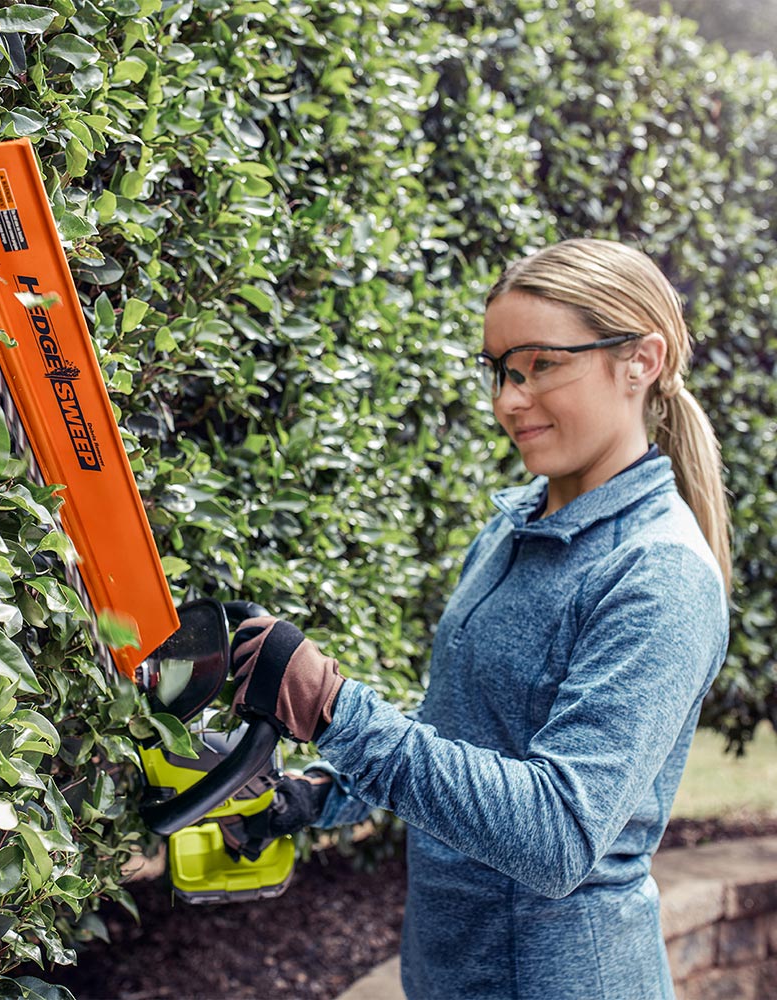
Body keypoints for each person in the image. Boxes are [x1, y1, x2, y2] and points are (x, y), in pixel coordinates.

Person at [231, 239, 731, 1000]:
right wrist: (319, 793)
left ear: (641, 360)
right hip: (449, 969)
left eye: (539, 366)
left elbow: (559, 835)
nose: (507, 400)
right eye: (500, 369)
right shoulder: (515, 526)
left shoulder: (657, 574)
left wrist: (334, 707)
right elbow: (463, 731)